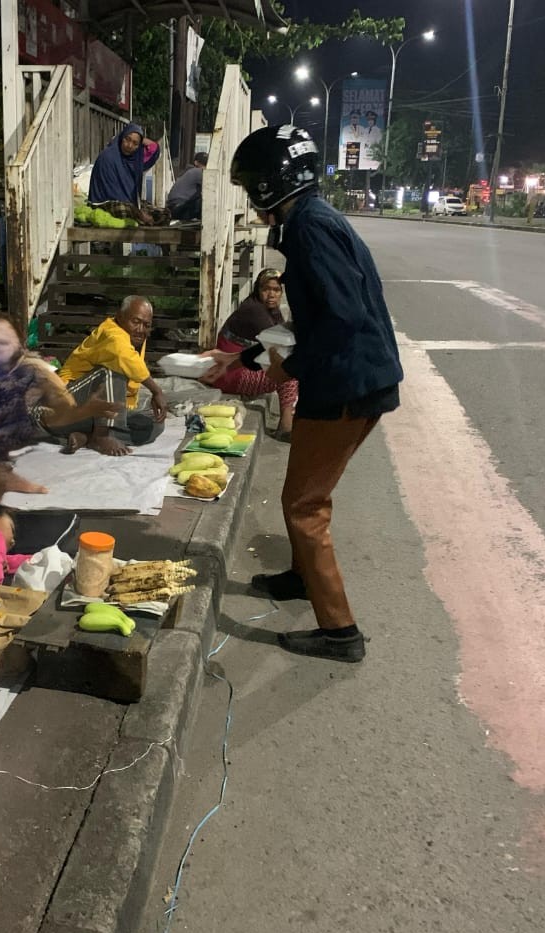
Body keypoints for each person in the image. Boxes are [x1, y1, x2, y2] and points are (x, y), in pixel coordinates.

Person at [229, 124, 403, 663]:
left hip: (348, 385)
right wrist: (248, 357)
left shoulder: (309, 229)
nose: (250, 199)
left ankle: (340, 633)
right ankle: (302, 579)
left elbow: (342, 319)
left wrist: (289, 369)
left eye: (251, 186)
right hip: (350, 378)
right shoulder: (311, 219)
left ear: (269, 185)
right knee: (300, 493)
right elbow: (320, 317)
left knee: (306, 506)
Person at [0, 313, 122, 506]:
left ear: (20, 340)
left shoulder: (36, 371)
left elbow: (61, 415)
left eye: (2, 342)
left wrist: (87, 410)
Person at [57, 295, 168, 457]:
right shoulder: (112, 333)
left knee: (155, 425)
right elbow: (124, 357)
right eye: (135, 322)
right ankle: (102, 435)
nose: (141, 329)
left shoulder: (134, 337)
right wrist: (156, 390)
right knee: (112, 373)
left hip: (94, 412)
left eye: (146, 325)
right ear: (120, 317)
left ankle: (88, 437)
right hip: (68, 401)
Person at [198, 268, 298, 440]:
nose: (271, 294)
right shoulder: (255, 311)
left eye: (276, 290)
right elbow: (280, 346)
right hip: (228, 373)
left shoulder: (271, 311)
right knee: (289, 373)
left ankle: (288, 421)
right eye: (266, 289)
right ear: (257, 290)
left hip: (234, 368)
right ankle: (286, 426)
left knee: (290, 365)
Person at [88, 123, 168, 225]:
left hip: (130, 204)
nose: (129, 145)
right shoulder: (108, 157)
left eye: (135, 143)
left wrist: (139, 136)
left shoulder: (135, 160)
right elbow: (110, 193)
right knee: (123, 210)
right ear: (121, 137)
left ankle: (144, 220)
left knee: (164, 213)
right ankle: (141, 218)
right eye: (127, 139)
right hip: (105, 203)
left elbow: (154, 148)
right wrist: (138, 212)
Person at [166, 152, 207, 222]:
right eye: (204, 165)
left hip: (173, 208)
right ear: (196, 163)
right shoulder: (198, 172)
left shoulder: (188, 172)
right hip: (179, 208)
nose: (206, 168)